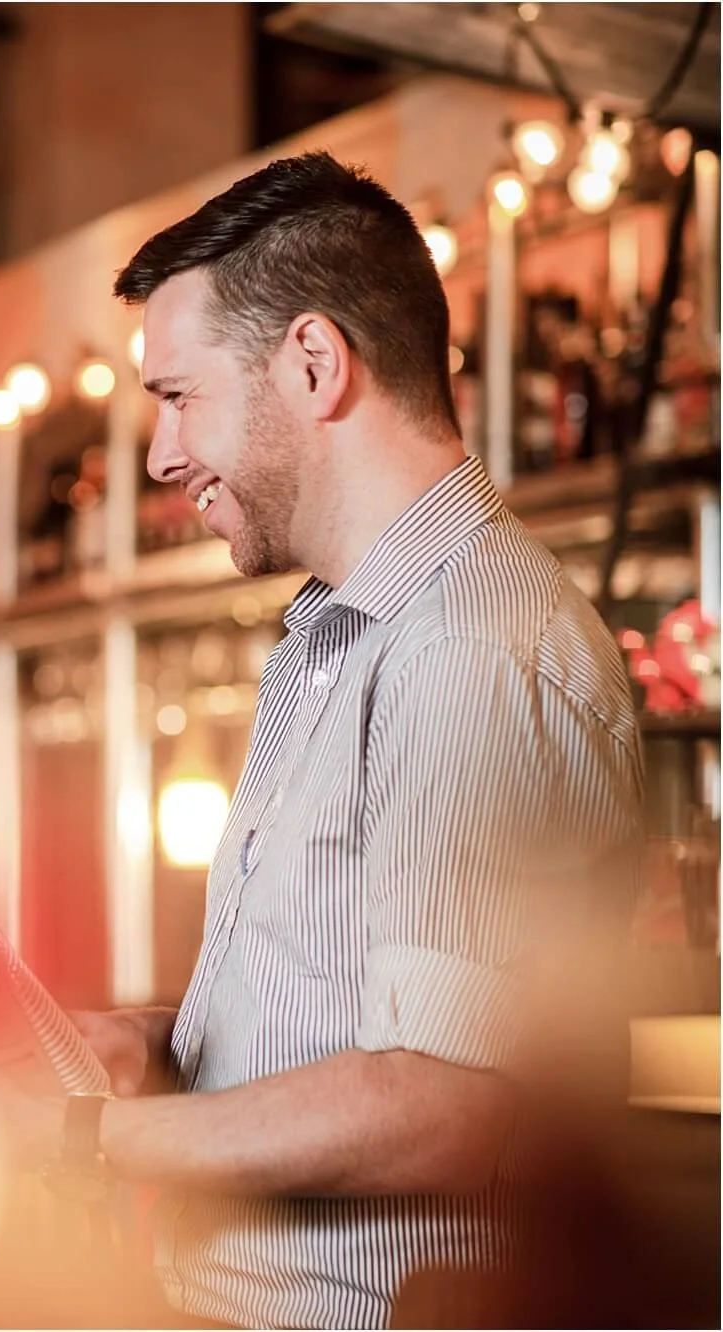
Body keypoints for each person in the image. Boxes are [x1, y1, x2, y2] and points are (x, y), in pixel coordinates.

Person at [47, 152, 646, 1329]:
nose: (159, 454)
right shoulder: (349, 632)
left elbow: (439, 1107)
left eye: (177, 396)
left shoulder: (461, 646)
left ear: (314, 364)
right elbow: (346, 1021)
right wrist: (159, 1042)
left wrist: (90, 1136)